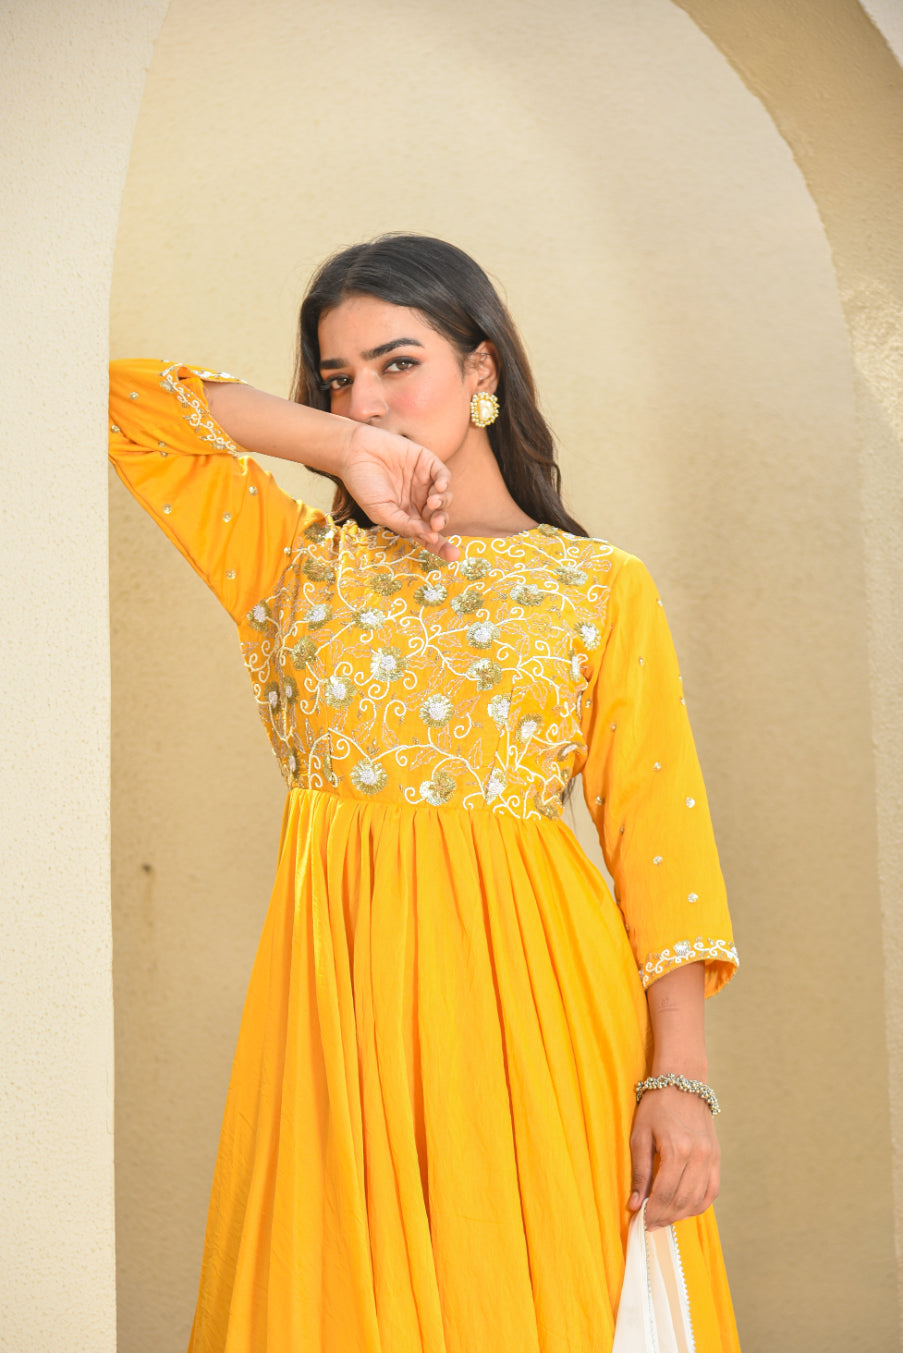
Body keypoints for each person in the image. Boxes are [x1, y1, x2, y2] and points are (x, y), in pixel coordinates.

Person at [109, 232, 740, 1352]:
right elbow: (118, 403)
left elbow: (660, 843)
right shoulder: (297, 569)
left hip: (538, 1017)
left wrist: (678, 1083)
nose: (369, 397)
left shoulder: (596, 587)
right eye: (338, 377)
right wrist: (344, 445)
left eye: (399, 364)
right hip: (338, 1020)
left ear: (481, 368)